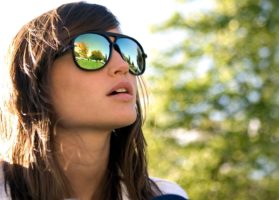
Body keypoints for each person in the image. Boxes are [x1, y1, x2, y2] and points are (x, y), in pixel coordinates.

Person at [0, 2, 188, 200]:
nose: (123, 65)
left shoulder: (165, 195)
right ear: (36, 80)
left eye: (127, 51)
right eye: (91, 52)